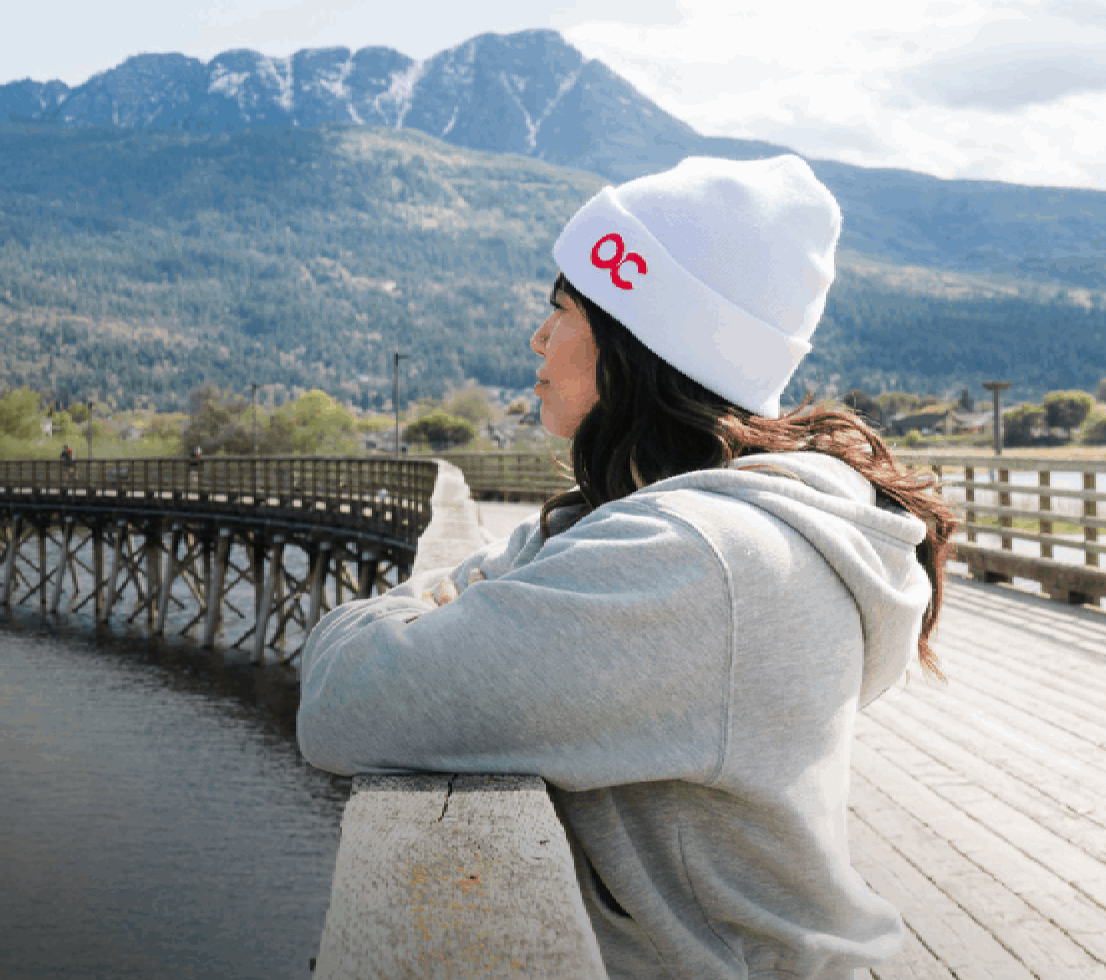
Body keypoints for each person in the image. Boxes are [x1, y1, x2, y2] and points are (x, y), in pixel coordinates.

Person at [297, 155, 958, 980]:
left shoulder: (687, 560)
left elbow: (340, 698)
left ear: (636, 338)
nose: (538, 337)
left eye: (563, 308)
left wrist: (422, 605)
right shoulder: (670, 523)